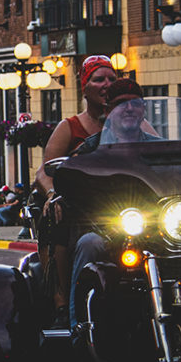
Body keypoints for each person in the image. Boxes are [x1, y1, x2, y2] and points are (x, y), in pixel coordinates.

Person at [34, 55, 118, 327]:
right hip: (81, 209)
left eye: (112, 79)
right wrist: (52, 195)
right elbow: (44, 172)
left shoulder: (132, 124)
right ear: (85, 87)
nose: (107, 84)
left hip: (122, 209)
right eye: (99, 79)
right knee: (61, 220)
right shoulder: (70, 127)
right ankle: (66, 308)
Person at [66, 78, 147, 327]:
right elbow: (72, 182)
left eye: (135, 103)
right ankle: (78, 326)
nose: (129, 109)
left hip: (154, 227)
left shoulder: (159, 147)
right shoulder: (91, 149)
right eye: (122, 104)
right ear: (109, 111)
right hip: (106, 229)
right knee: (89, 244)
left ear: (144, 109)